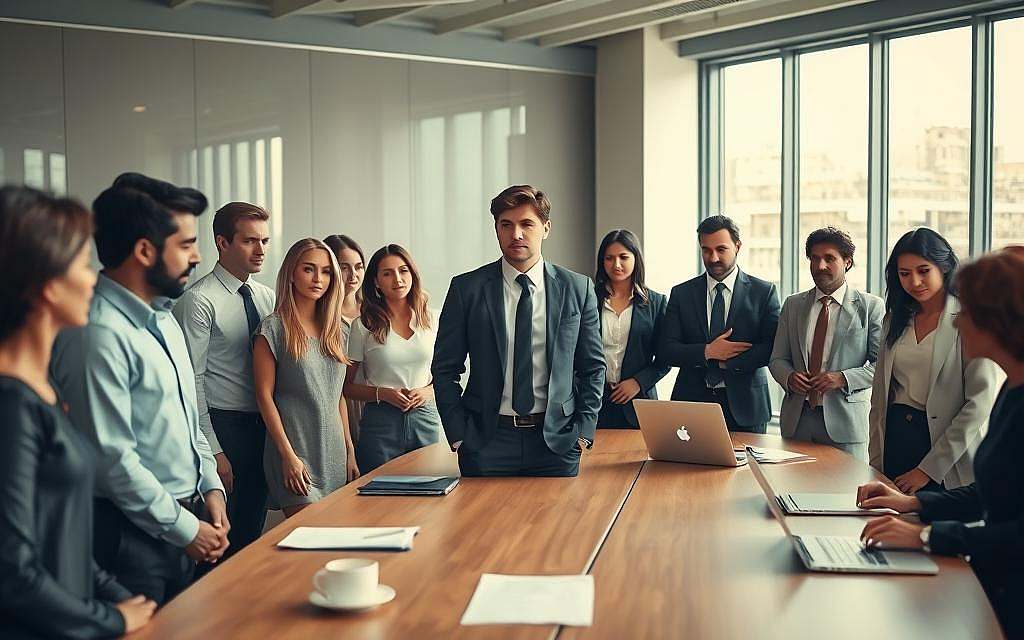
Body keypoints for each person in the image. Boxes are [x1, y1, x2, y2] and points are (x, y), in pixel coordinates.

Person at [49, 173, 228, 605]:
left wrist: (211, 489)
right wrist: (186, 530)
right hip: (128, 537)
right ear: (145, 251)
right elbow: (112, 460)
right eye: (185, 245)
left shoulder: (165, 317)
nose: (198, 256)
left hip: (188, 519)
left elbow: (187, 420)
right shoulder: (97, 333)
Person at [0, 186, 156, 638]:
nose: (93, 278)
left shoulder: (41, 387)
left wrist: (116, 595)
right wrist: (111, 619)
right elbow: (12, 570)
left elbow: (60, 535)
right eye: (82, 265)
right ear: (47, 283)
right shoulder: (11, 406)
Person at [857, 246, 1024, 638]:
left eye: (967, 311)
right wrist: (914, 504)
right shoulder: (1012, 390)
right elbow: (992, 493)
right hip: (998, 586)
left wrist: (926, 535)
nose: (958, 319)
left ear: (997, 321)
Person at [432, 185, 605, 477]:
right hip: (486, 441)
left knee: (562, 523)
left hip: (557, 442)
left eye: (527, 224)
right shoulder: (467, 289)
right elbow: (445, 368)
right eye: (506, 225)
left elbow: (593, 368)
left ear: (546, 228)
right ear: (496, 229)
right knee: (483, 523)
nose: (516, 234)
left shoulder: (578, 288)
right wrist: (459, 433)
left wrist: (582, 432)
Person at [173, 202, 274, 559]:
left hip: (262, 425)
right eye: (250, 241)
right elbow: (190, 381)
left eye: (264, 240)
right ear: (222, 242)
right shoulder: (198, 301)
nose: (260, 250)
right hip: (223, 427)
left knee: (252, 535)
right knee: (221, 543)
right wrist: (213, 450)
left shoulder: (266, 297)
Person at [868, 228, 1002, 493]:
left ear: (944, 267)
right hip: (895, 439)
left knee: (933, 529)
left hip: (944, 449)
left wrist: (928, 469)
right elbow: (880, 396)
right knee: (888, 524)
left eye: (923, 270)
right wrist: (874, 463)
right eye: (904, 274)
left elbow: (979, 403)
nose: (915, 282)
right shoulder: (894, 319)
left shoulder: (970, 318)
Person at [254, 238, 357, 517]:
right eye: (309, 269)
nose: (318, 279)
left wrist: (349, 450)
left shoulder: (338, 332)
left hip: (334, 452)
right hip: (295, 452)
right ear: (291, 273)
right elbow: (264, 397)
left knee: (332, 545)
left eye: (325, 271)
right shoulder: (274, 327)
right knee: (308, 540)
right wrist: (287, 456)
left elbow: (338, 397)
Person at [657, 215, 781, 433]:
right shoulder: (681, 293)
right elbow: (666, 350)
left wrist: (726, 361)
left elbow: (772, 348)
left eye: (721, 249)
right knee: (686, 468)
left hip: (747, 407)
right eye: (706, 250)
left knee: (745, 469)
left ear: (738, 247)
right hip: (691, 405)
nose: (713, 257)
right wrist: (708, 351)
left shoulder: (764, 292)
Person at [769, 227, 883, 461]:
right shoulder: (793, 305)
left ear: (847, 262)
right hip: (797, 422)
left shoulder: (871, 307)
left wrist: (843, 378)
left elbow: (881, 365)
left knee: (845, 495)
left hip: (846, 424)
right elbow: (777, 359)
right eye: (814, 258)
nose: (820, 266)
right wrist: (789, 377)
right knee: (792, 492)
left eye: (829, 258)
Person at [344, 245, 441, 472]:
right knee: (379, 499)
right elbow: (346, 388)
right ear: (376, 281)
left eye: (403, 270)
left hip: (425, 417)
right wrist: (383, 394)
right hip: (380, 422)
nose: (397, 279)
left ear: (412, 274)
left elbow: (447, 374)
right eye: (387, 273)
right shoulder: (363, 326)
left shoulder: (433, 319)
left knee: (428, 497)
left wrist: (427, 391)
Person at [594, 229, 669, 428]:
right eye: (609, 258)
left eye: (623, 257)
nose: (616, 264)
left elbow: (666, 358)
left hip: (640, 404)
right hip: (595, 403)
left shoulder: (656, 302)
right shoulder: (588, 299)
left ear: (636, 258)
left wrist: (637, 382)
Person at [324, 233, 366, 445]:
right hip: (335, 409)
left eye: (359, 267)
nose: (353, 275)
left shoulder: (373, 312)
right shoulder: (320, 317)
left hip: (374, 405)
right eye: (344, 267)